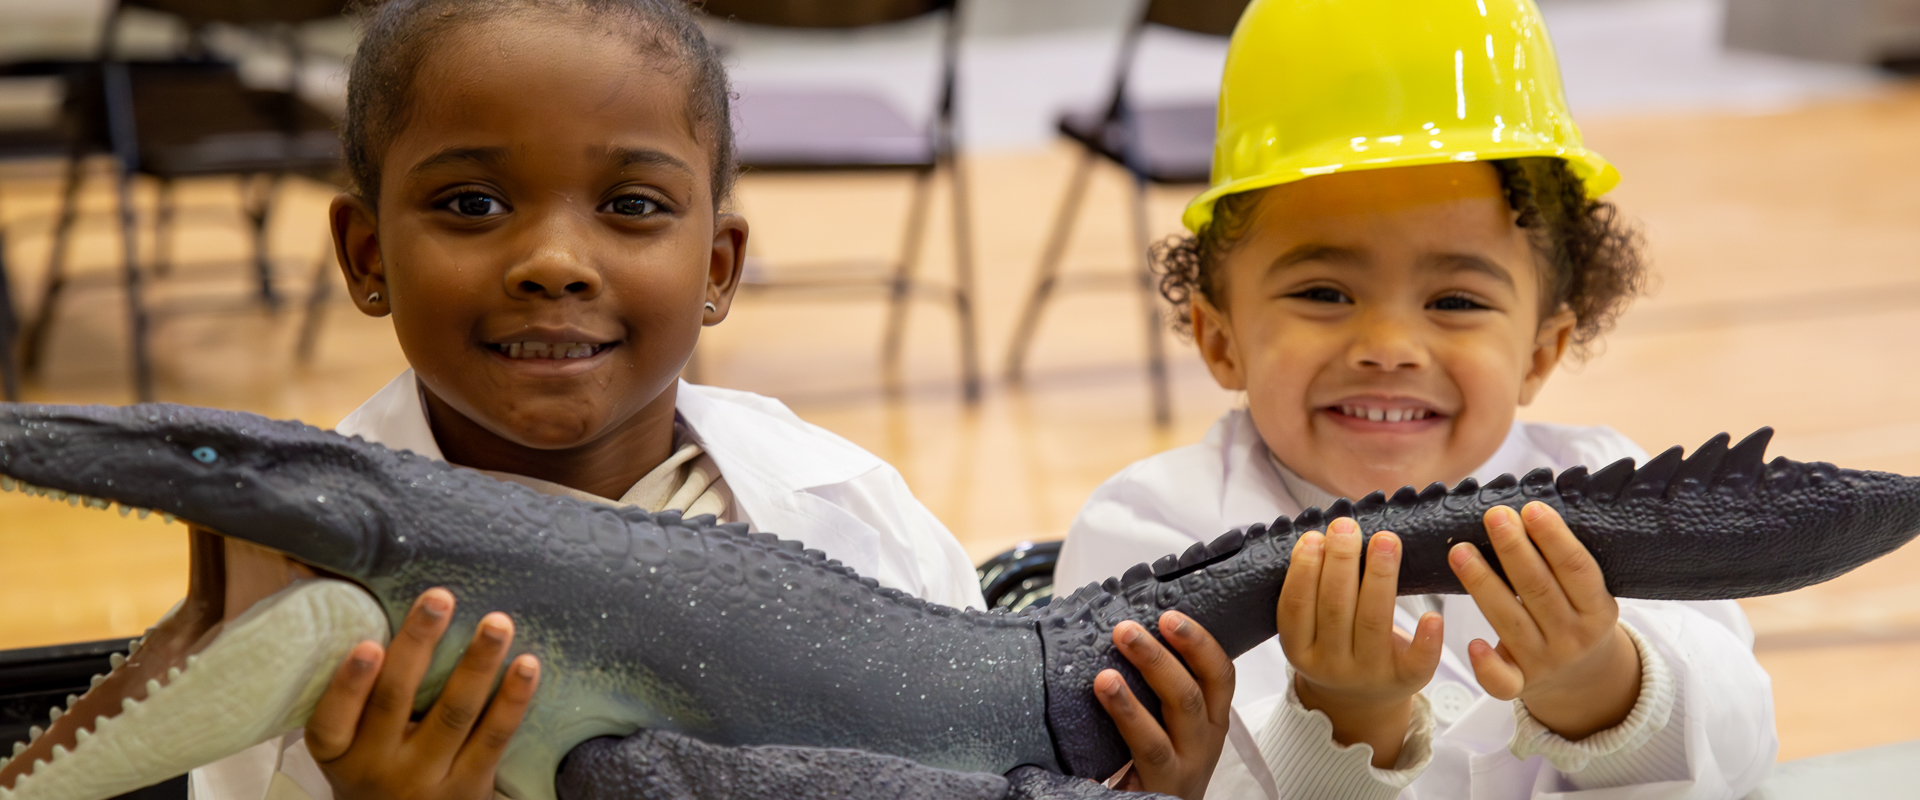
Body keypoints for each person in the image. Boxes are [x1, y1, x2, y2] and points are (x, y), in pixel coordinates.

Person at [187, 2, 1231, 800]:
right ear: (367, 255)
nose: (553, 261)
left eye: (633, 206)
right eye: (473, 203)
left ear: (718, 266)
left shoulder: (853, 514)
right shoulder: (276, 584)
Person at [1053, 1, 1777, 798]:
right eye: (1325, 291)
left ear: (1542, 351)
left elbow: (1741, 753)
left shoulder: (1615, 487)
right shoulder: (1149, 539)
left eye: (1457, 302)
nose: (1390, 344)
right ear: (1220, 337)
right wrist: (1342, 724)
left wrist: (1606, 690)